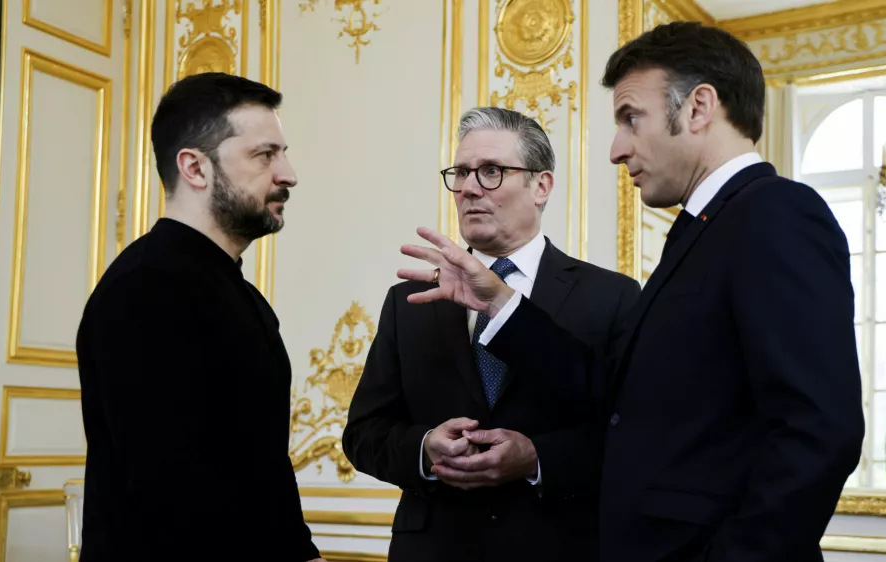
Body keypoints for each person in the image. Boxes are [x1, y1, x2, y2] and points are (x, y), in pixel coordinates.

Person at [396, 22, 864, 562]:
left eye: (630, 118)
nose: (617, 150)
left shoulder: (775, 214)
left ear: (698, 107)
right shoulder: (705, 227)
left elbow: (819, 430)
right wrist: (500, 303)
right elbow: (617, 388)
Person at [342, 107, 640, 562]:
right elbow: (364, 434)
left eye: (491, 171)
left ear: (541, 186)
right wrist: (425, 449)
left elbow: (630, 436)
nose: (468, 188)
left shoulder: (611, 296)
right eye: (461, 172)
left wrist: (536, 457)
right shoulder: (410, 301)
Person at [76, 73, 324, 562]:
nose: (288, 174)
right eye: (265, 154)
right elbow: (170, 492)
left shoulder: (240, 296)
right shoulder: (143, 289)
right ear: (194, 167)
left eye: (283, 153)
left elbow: (263, 466)